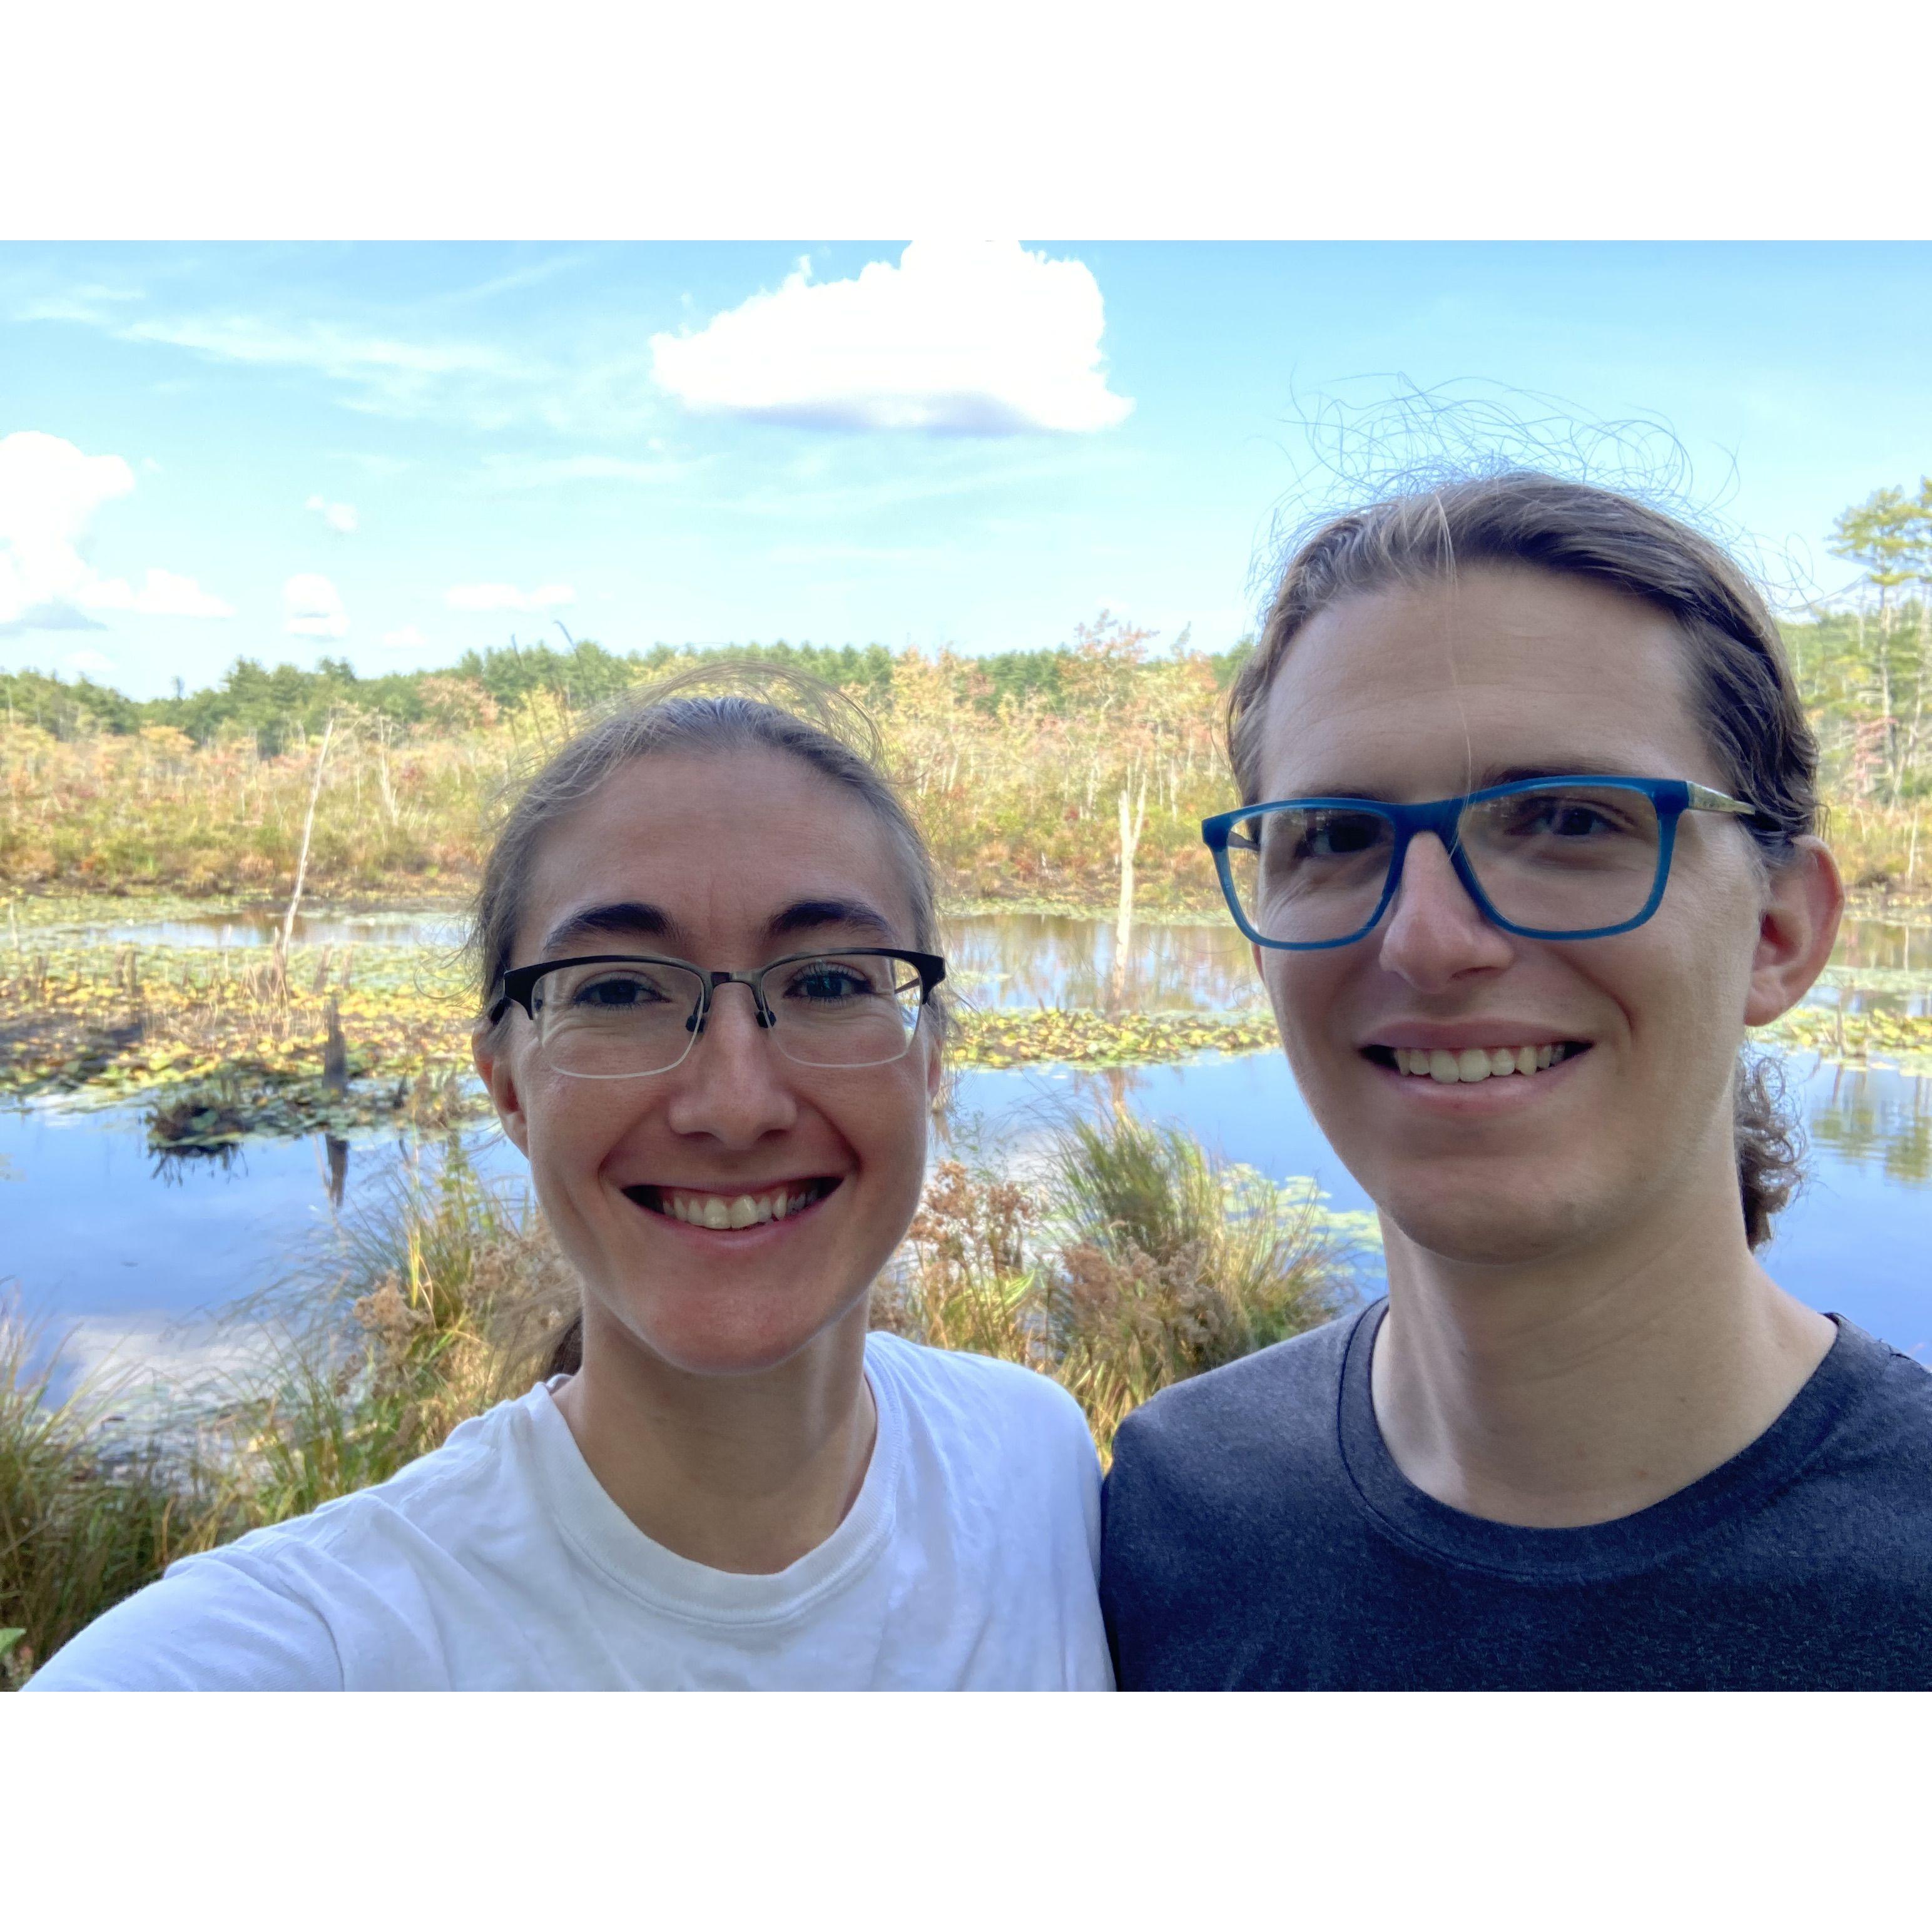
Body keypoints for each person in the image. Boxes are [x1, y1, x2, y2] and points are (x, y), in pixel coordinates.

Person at [29, 673, 1111, 1690]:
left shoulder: (1036, 1463)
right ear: (508, 1084)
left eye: (829, 979)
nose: (734, 1106)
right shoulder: (324, 1650)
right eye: (620, 990)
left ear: (930, 1061)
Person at [1101, 472, 1932, 1690]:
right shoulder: (1179, 1506)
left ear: (1778, 928)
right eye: (1332, 835)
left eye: (1563, 817)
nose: (1428, 939)